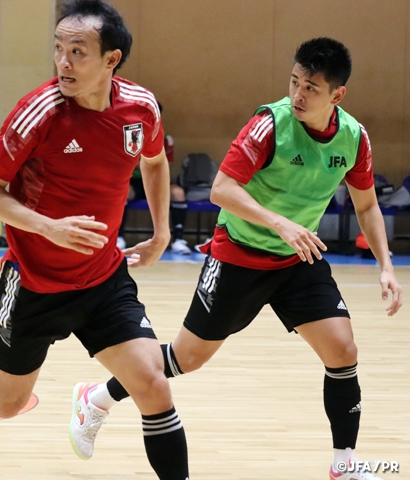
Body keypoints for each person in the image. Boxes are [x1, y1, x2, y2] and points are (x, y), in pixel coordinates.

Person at [71, 37, 403, 480]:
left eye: (311, 88)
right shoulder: (269, 125)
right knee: (187, 359)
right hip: (239, 255)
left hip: (296, 260)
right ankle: (97, 398)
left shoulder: (353, 138)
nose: (298, 95)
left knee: (343, 349)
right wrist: (280, 222)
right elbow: (221, 189)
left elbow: (366, 206)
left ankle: (344, 464)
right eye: (294, 82)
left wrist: (385, 266)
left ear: (337, 95)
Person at [0, 2, 190, 478]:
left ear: (111, 59)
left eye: (78, 51)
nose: (64, 62)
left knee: (153, 384)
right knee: (5, 402)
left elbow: (153, 162)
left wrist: (161, 231)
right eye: (58, 49)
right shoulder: (41, 111)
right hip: (35, 281)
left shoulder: (140, 107)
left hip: (102, 280)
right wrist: (49, 227)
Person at [116, 102, 192, 254]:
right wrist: (145, 163)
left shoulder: (165, 137)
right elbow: (130, 163)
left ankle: (178, 240)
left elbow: (163, 165)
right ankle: (119, 237)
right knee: (122, 190)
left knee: (178, 193)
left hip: (157, 179)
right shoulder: (132, 132)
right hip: (135, 181)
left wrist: (149, 163)